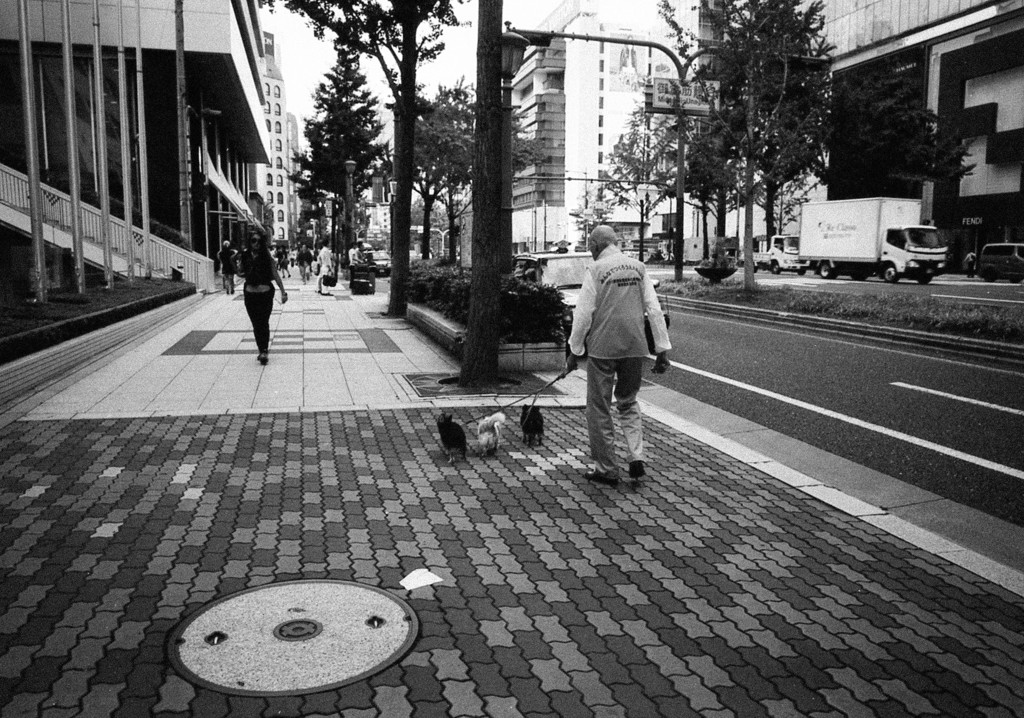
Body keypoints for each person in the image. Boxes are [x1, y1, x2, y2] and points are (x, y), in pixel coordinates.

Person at [564, 225, 670, 486]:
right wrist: (661, 349)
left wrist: (574, 351)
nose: (589, 250)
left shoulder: (596, 270)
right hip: (635, 346)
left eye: (590, 245)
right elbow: (653, 310)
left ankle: (607, 468)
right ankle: (636, 456)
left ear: (598, 245)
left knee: (599, 408)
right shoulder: (638, 267)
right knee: (628, 400)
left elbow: (583, 314)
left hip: (603, 348)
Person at [239, 230, 287, 365]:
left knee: (263, 322)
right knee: (255, 323)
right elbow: (242, 273)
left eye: (259, 241)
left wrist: (283, 291)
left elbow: (275, 275)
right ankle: (261, 349)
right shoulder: (245, 255)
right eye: (253, 240)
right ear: (250, 241)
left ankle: (264, 350)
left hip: (265, 294)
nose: (256, 243)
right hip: (250, 294)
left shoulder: (267, 257)